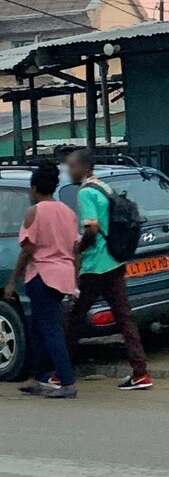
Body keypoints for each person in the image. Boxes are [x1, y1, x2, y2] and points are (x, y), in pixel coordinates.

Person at [65, 148, 153, 391]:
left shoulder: (85, 193)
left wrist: (79, 248)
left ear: (84, 168)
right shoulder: (105, 187)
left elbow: (91, 229)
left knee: (75, 317)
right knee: (125, 318)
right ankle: (140, 372)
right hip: (115, 261)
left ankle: (60, 370)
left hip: (95, 265)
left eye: (72, 166)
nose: (69, 171)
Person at [3, 161, 79, 399]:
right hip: (63, 274)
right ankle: (37, 377)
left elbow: (27, 249)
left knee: (49, 329)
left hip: (42, 275)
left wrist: (12, 281)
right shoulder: (68, 212)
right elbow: (76, 249)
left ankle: (67, 381)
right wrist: (75, 280)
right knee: (38, 328)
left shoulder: (34, 212)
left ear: (35, 188)